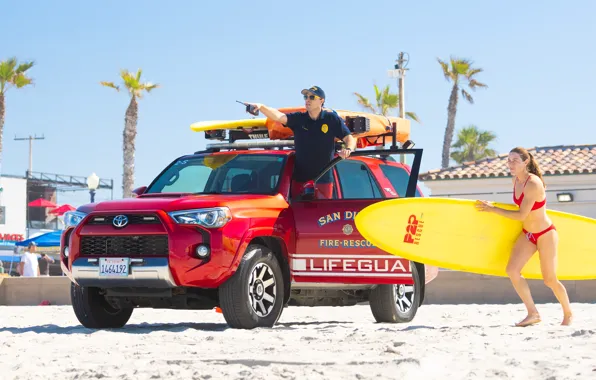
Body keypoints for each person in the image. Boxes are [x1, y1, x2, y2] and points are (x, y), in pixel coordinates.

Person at [475, 147, 573, 327]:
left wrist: (492, 209)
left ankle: (568, 313)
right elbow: (519, 212)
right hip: (528, 234)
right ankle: (532, 313)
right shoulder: (516, 180)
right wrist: (493, 205)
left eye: (515, 160)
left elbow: (521, 214)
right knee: (512, 270)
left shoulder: (533, 183)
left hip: (545, 234)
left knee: (550, 279)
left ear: (525, 162)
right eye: (508, 160)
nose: (510, 164)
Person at [246, 86, 357, 199]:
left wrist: (348, 149)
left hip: (323, 180)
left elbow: (349, 138)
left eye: (312, 97)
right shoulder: (299, 119)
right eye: (305, 97)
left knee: (322, 215)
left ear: (321, 101)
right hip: (300, 180)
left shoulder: (331, 119)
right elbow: (279, 116)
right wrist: (261, 106)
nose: (307, 100)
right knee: (300, 214)